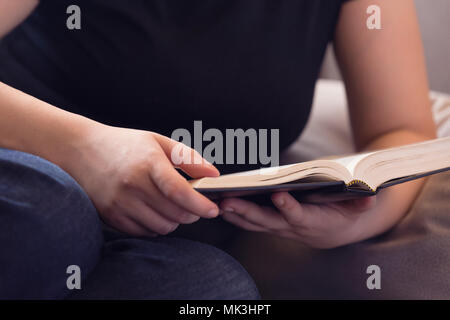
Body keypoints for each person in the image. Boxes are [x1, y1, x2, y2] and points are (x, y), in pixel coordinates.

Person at [0, 0, 435, 299]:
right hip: (33, 181)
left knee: (215, 290)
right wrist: (82, 149)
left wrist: (359, 220)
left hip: (169, 238)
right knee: (53, 216)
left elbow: (401, 129)